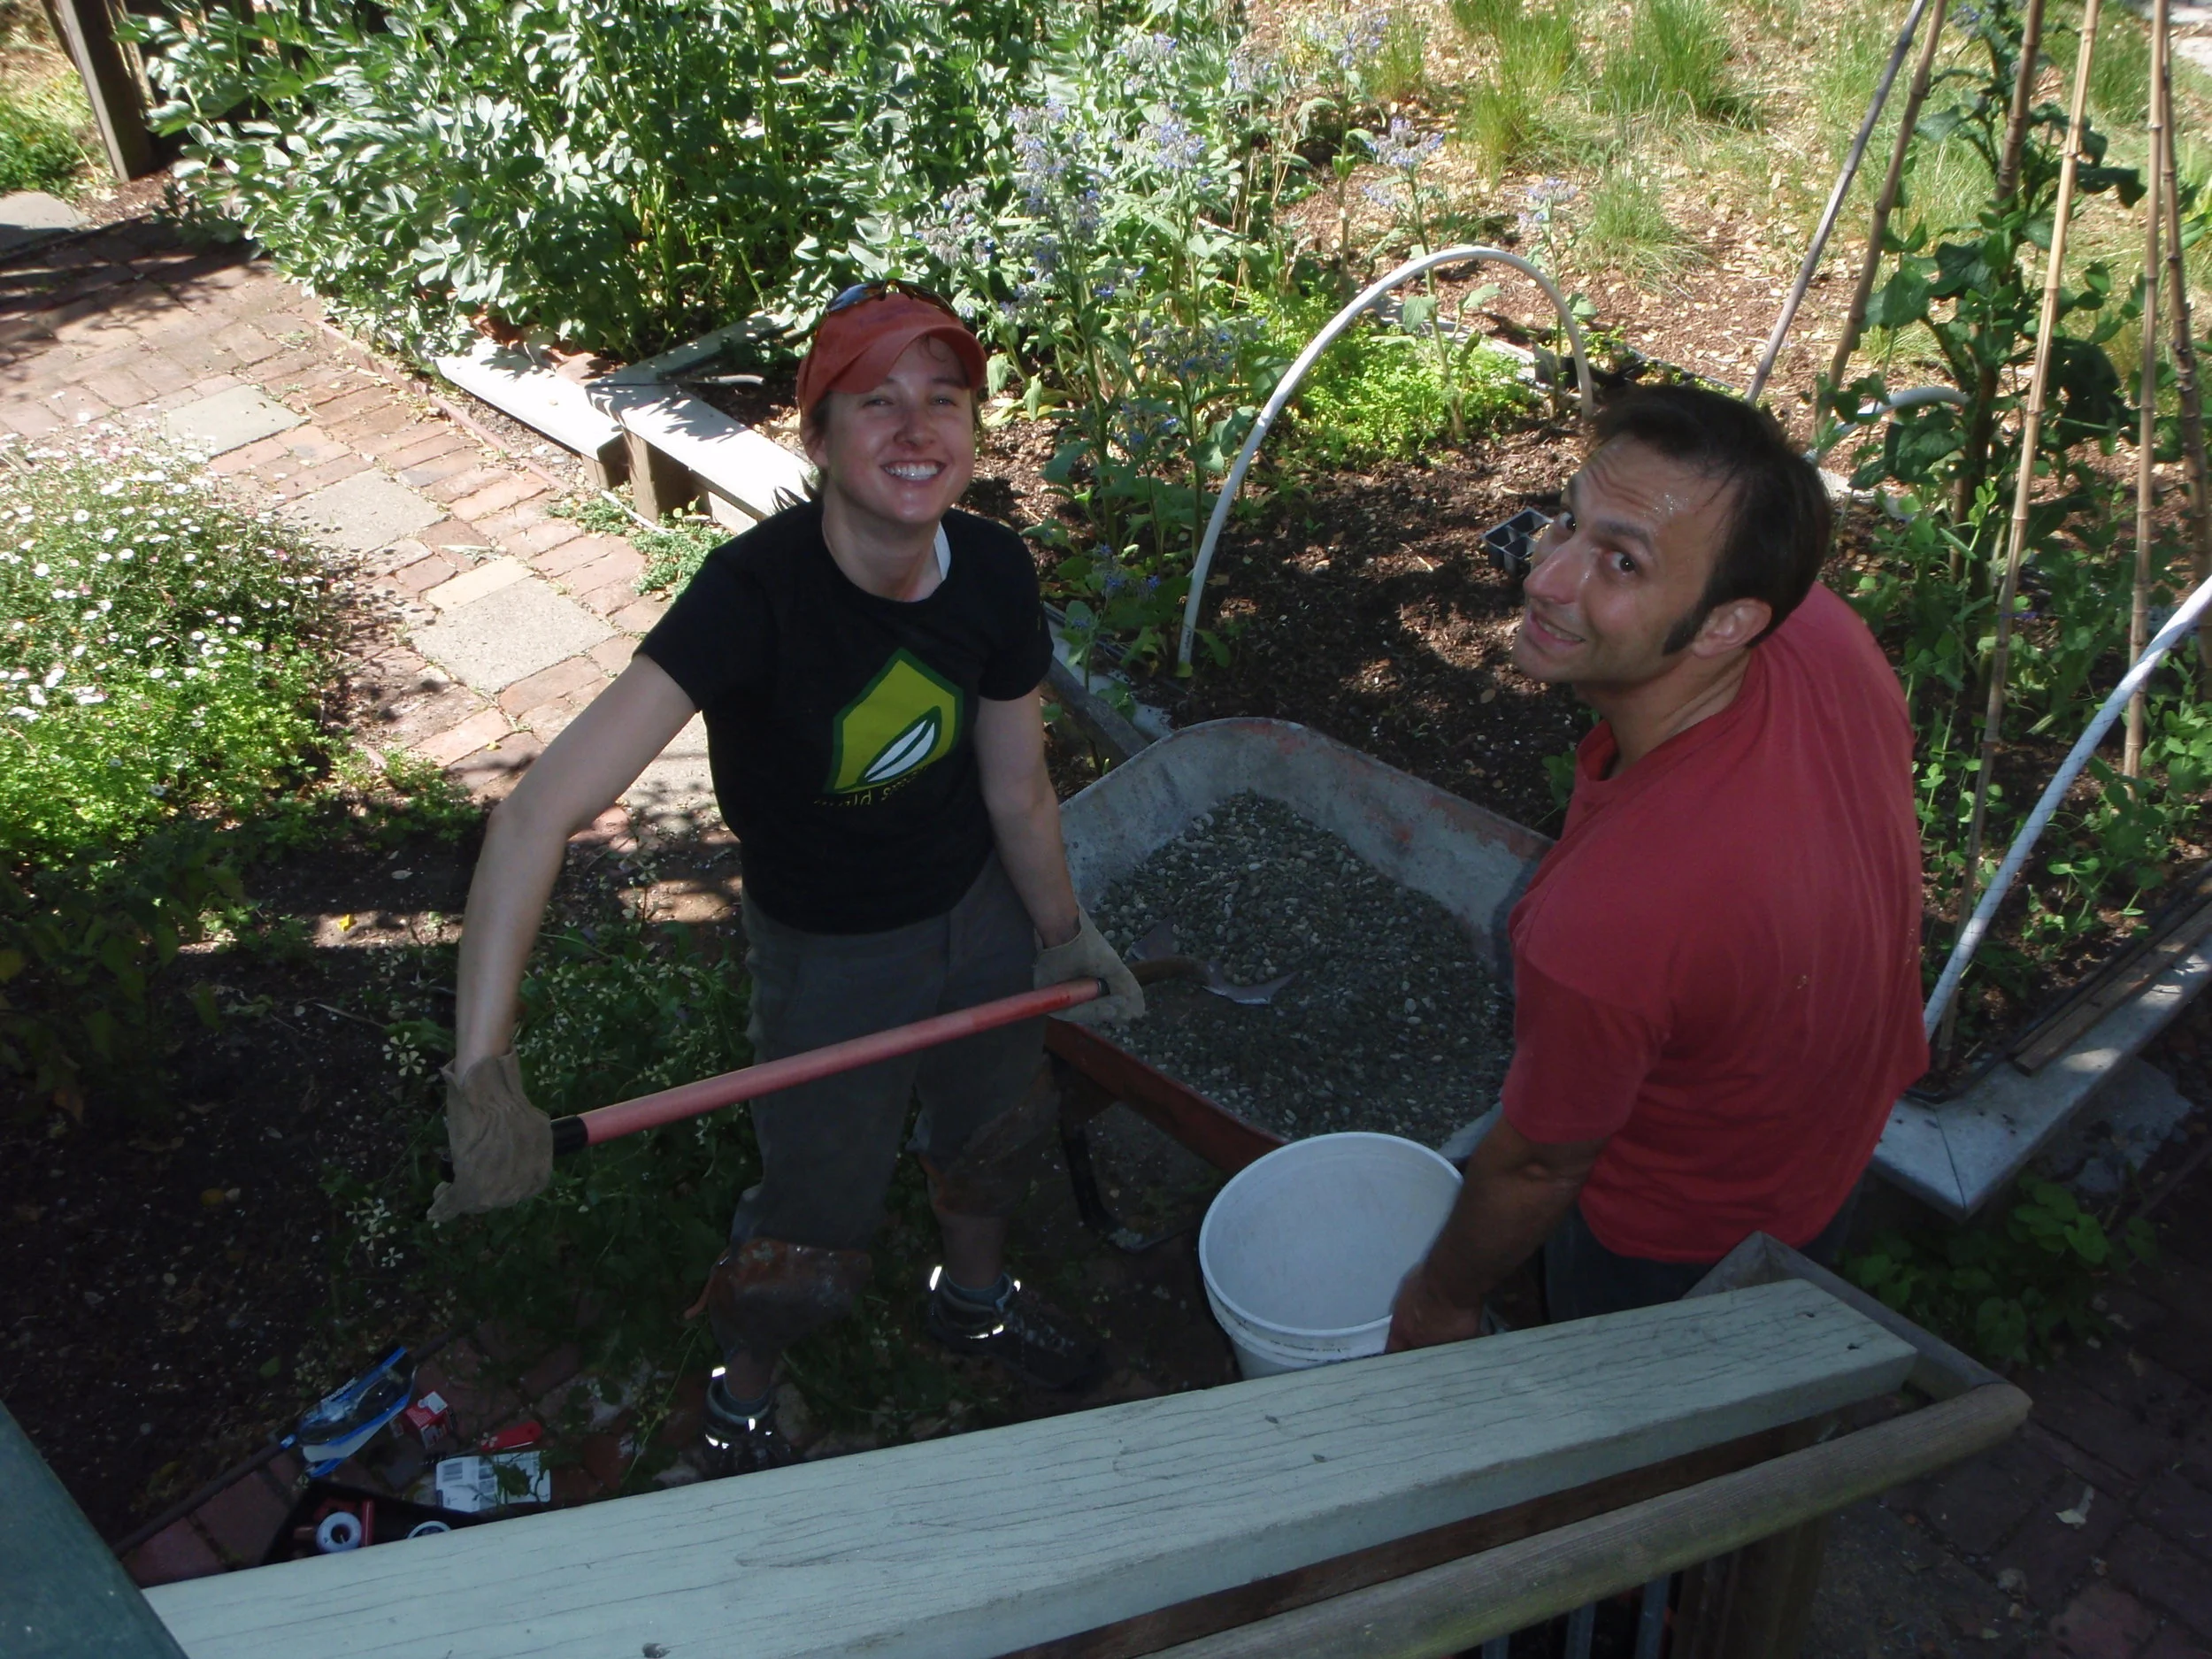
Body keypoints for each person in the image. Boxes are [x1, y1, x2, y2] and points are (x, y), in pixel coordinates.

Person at [428, 282, 1144, 1474]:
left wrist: (1061, 932)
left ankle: (973, 1302)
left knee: (995, 1128)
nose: (916, 428)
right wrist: (481, 1073)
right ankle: (744, 1390)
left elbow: (1017, 786)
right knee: (815, 1212)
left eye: (944, 399)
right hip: (831, 960)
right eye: (876, 401)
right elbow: (537, 814)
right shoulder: (750, 597)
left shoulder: (992, 571)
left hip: (981, 917)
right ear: (817, 436)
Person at [1388, 383, 1926, 1348]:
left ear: (1726, 624)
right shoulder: (1821, 635)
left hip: (1680, 1232)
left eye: (1621, 562)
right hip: (1835, 1132)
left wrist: (1440, 1295)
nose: (1546, 577)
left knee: (1630, 1399)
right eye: (1568, 522)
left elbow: (1538, 1164)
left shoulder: (1610, 915)